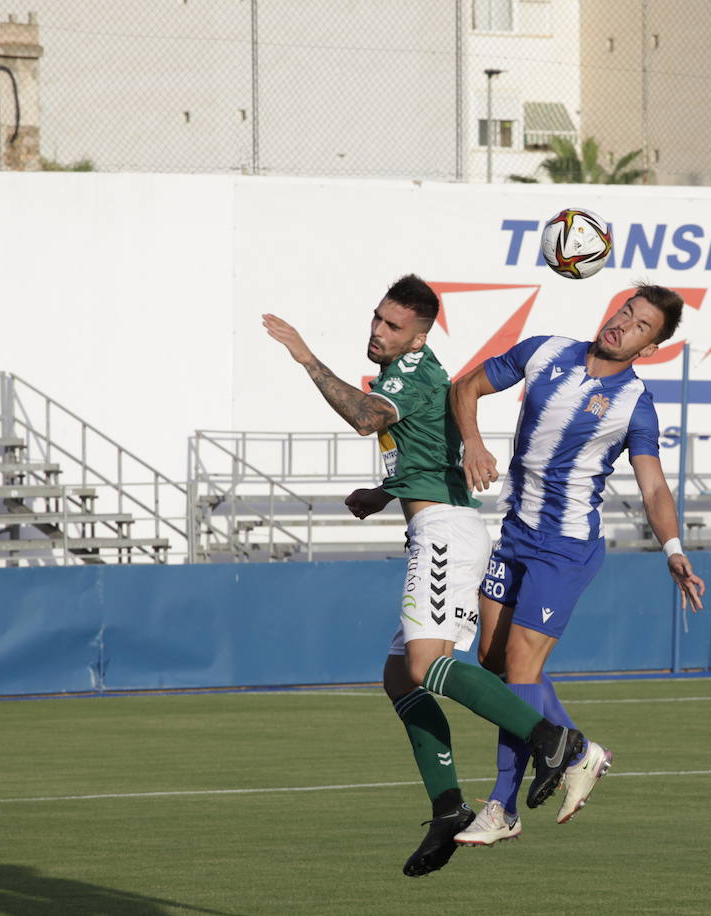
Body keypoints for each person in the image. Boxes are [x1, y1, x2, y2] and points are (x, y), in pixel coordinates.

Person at [262, 274, 589, 879]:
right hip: (434, 526)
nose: (378, 332)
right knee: (399, 677)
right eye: (376, 319)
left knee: (424, 665)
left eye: (392, 325)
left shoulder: (407, 377)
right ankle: (447, 808)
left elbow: (364, 418)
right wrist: (387, 491)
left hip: (446, 534)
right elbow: (426, 448)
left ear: (419, 334)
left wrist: (305, 356)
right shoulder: (406, 376)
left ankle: (555, 740)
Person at [448, 283, 706, 846]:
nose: (622, 325)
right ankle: (578, 748)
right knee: (495, 663)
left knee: (519, 669)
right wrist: (472, 441)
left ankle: (501, 806)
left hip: (563, 548)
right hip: (514, 533)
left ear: (650, 348)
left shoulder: (635, 403)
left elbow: (654, 484)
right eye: (625, 312)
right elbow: (465, 386)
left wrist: (674, 549)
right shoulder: (543, 350)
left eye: (640, 326)